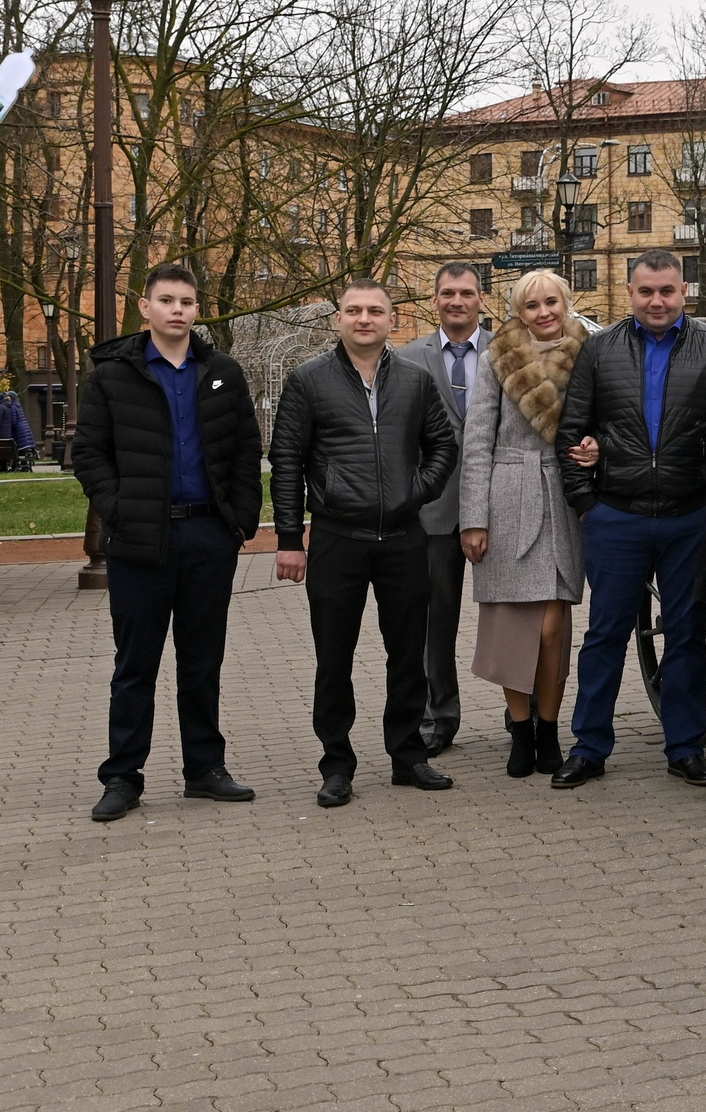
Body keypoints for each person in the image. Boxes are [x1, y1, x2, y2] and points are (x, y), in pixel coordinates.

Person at [74, 262, 262, 823]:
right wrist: (120, 512)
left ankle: (205, 769)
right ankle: (122, 777)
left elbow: (247, 452)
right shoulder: (114, 374)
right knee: (136, 664)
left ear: (196, 309)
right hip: (141, 541)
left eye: (187, 301)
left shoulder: (222, 371)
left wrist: (240, 523)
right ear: (145, 307)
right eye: (167, 300)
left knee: (202, 661)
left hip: (209, 535)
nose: (178, 309)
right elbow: (88, 455)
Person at [553, 249, 706, 789]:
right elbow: (572, 432)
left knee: (685, 633)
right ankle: (590, 745)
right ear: (630, 293)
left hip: (690, 518)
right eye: (645, 292)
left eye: (667, 291)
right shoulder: (599, 350)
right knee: (605, 634)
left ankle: (685, 746)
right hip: (617, 515)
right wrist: (588, 506)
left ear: (686, 292)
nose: (656, 301)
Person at [271, 277, 460, 806]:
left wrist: (414, 491)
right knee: (335, 658)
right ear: (338, 319)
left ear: (392, 319)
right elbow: (286, 462)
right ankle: (337, 765)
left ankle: (408, 756)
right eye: (353, 310)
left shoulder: (416, 381)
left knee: (407, 656)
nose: (364, 319)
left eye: (375, 310)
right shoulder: (308, 380)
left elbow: (442, 445)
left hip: (404, 538)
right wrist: (289, 537)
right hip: (337, 538)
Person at [458, 269, 585, 778]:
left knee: (553, 628)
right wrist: (473, 518)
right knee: (514, 629)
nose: (543, 313)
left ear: (567, 302)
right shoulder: (496, 358)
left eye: (551, 302)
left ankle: (550, 727)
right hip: (506, 497)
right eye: (531, 305)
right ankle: (520, 730)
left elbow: (600, 419)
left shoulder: (589, 352)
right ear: (517, 311)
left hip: (561, 495)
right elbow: (476, 442)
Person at [394, 261, 489, 757]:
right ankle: (438, 717)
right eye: (448, 293)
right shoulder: (407, 358)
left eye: (467, 293)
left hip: (497, 507)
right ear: (435, 300)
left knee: (515, 617)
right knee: (435, 622)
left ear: (481, 298)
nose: (457, 301)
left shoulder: (507, 352)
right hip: (432, 511)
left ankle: (526, 715)